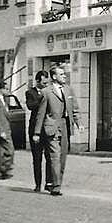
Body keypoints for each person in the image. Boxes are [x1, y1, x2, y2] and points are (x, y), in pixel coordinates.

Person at [32, 65, 79, 196]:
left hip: (65, 126)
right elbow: (41, 114)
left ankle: (54, 183)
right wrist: (36, 133)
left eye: (64, 74)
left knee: (62, 158)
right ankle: (56, 187)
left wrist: (78, 123)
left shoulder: (69, 90)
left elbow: (74, 109)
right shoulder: (47, 92)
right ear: (54, 77)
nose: (64, 76)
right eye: (62, 74)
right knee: (54, 157)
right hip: (51, 127)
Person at [25, 70, 52, 192]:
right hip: (35, 129)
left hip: (47, 128)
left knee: (50, 157)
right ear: (37, 81)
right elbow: (31, 106)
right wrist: (42, 96)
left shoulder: (50, 92)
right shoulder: (30, 92)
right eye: (43, 82)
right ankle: (37, 184)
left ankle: (49, 183)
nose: (46, 85)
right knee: (37, 158)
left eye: (47, 82)